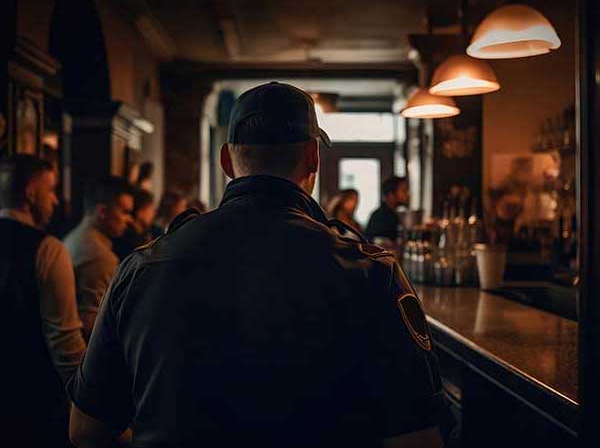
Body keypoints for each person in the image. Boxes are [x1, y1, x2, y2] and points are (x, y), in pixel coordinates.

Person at [67, 82, 449, 448]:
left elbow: (85, 431)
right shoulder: (371, 274)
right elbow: (417, 439)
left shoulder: (142, 266)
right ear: (313, 157)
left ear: (226, 162)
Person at [0, 154, 86, 447]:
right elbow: (64, 342)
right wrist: (88, 398)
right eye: (50, 190)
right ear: (30, 193)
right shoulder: (48, 250)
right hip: (31, 400)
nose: (55, 201)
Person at [64, 176, 134, 341]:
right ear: (102, 212)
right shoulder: (98, 255)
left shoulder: (78, 238)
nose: (129, 220)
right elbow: (92, 323)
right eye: (125, 212)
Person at [113, 188, 157, 260]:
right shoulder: (128, 238)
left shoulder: (143, 233)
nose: (153, 213)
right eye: (151, 209)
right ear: (140, 212)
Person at [366, 176, 409, 243]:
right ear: (391, 194)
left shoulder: (393, 214)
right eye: (404, 191)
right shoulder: (380, 217)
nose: (407, 195)